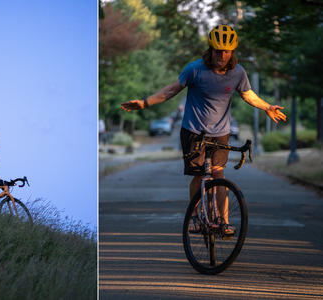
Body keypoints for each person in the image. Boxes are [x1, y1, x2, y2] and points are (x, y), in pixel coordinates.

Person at [121, 25, 287, 234]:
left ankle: (224, 222)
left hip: (221, 132)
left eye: (227, 51)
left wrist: (267, 107)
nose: (222, 55)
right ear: (210, 49)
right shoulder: (195, 69)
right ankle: (194, 216)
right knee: (199, 176)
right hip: (193, 131)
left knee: (219, 175)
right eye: (218, 50)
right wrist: (145, 103)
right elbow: (171, 90)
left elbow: (248, 94)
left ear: (232, 52)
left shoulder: (238, 72)